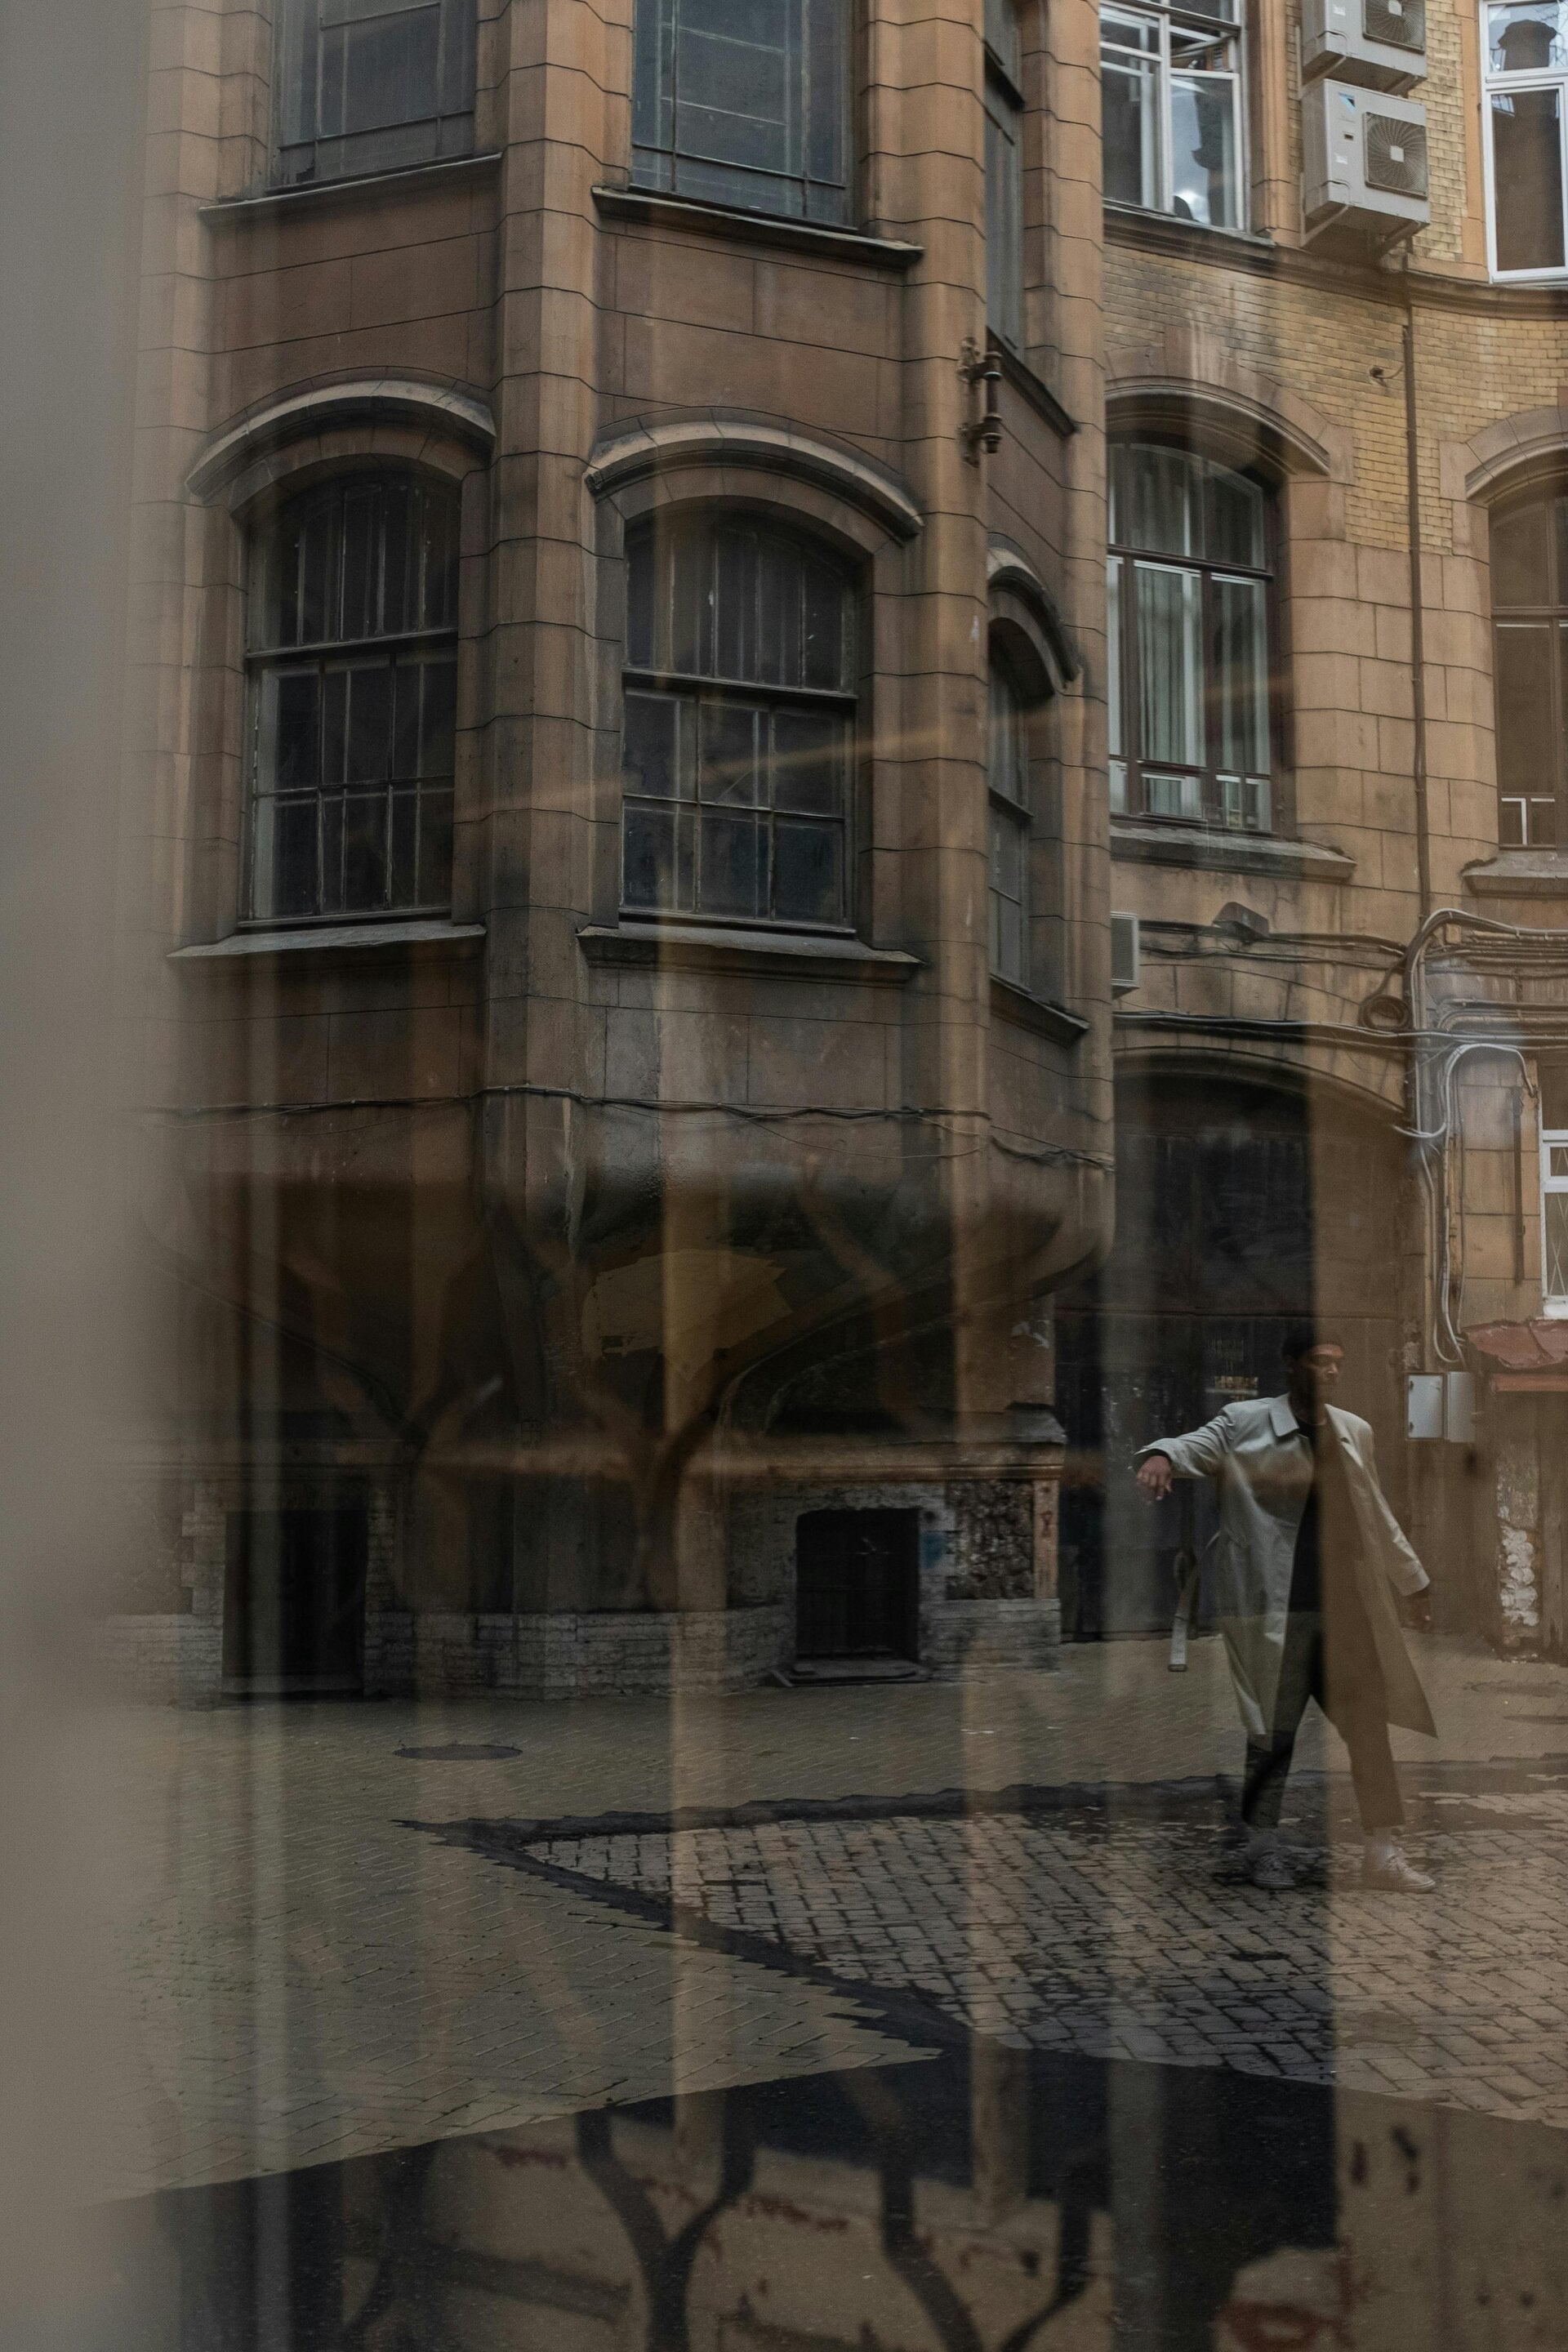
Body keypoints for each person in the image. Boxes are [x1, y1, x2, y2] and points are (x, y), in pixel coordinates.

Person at [1136, 1329, 1437, 1892]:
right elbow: (1195, 1445)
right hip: (1276, 1610)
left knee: (1369, 1729)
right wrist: (1161, 1456)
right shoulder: (1244, 1421)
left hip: (1346, 1610)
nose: (1332, 1372)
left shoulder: (1353, 1431)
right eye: (1320, 1362)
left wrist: (1413, 1583)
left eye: (1338, 1363)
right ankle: (1263, 1848)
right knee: (1271, 1734)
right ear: (1291, 1365)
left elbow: (1375, 1514)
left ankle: (1382, 1852)